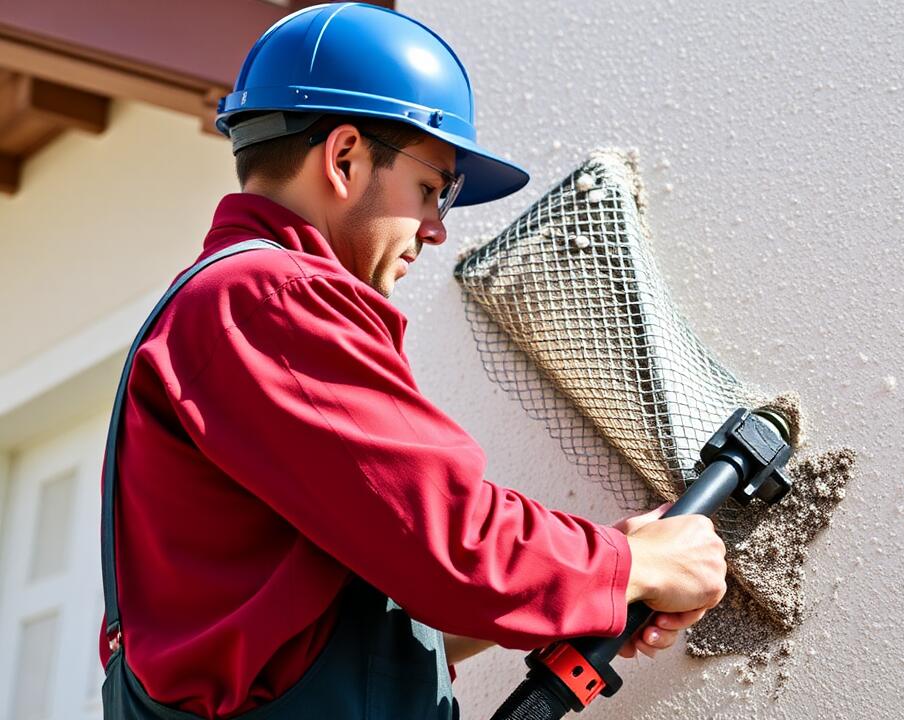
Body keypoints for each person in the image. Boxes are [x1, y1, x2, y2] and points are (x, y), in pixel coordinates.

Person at [98, 4, 726, 719]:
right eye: (432, 188)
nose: (436, 229)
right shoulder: (268, 298)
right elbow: (450, 540)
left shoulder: (234, 308)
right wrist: (631, 565)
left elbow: (371, 612)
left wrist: (599, 579)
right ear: (343, 159)